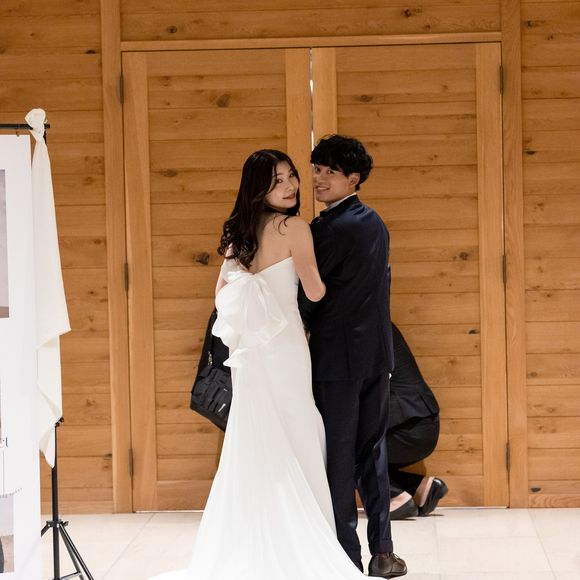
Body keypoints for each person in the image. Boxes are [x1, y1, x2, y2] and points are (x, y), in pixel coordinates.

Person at [150, 149, 375, 580]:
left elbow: (222, 295)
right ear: (259, 187)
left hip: (251, 354)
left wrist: (256, 299)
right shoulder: (295, 228)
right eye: (277, 180)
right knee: (300, 430)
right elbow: (315, 292)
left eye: (291, 176)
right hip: (286, 348)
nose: (290, 186)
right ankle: (307, 541)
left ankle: (255, 539)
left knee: (255, 436)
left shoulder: (239, 234)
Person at [298, 135, 407, 579]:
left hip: (336, 361)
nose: (319, 179)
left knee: (339, 460)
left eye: (330, 172)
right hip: (376, 355)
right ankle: (383, 551)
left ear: (353, 178)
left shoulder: (326, 230)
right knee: (373, 454)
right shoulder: (375, 222)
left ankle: (346, 557)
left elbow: (309, 297)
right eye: (317, 170)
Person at [387, 323, 448, 520]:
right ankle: (422, 488)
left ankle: (394, 496)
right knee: (370, 456)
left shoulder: (363, 328)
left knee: (347, 452)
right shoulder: (382, 323)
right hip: (425, 424)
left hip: (405, 429)